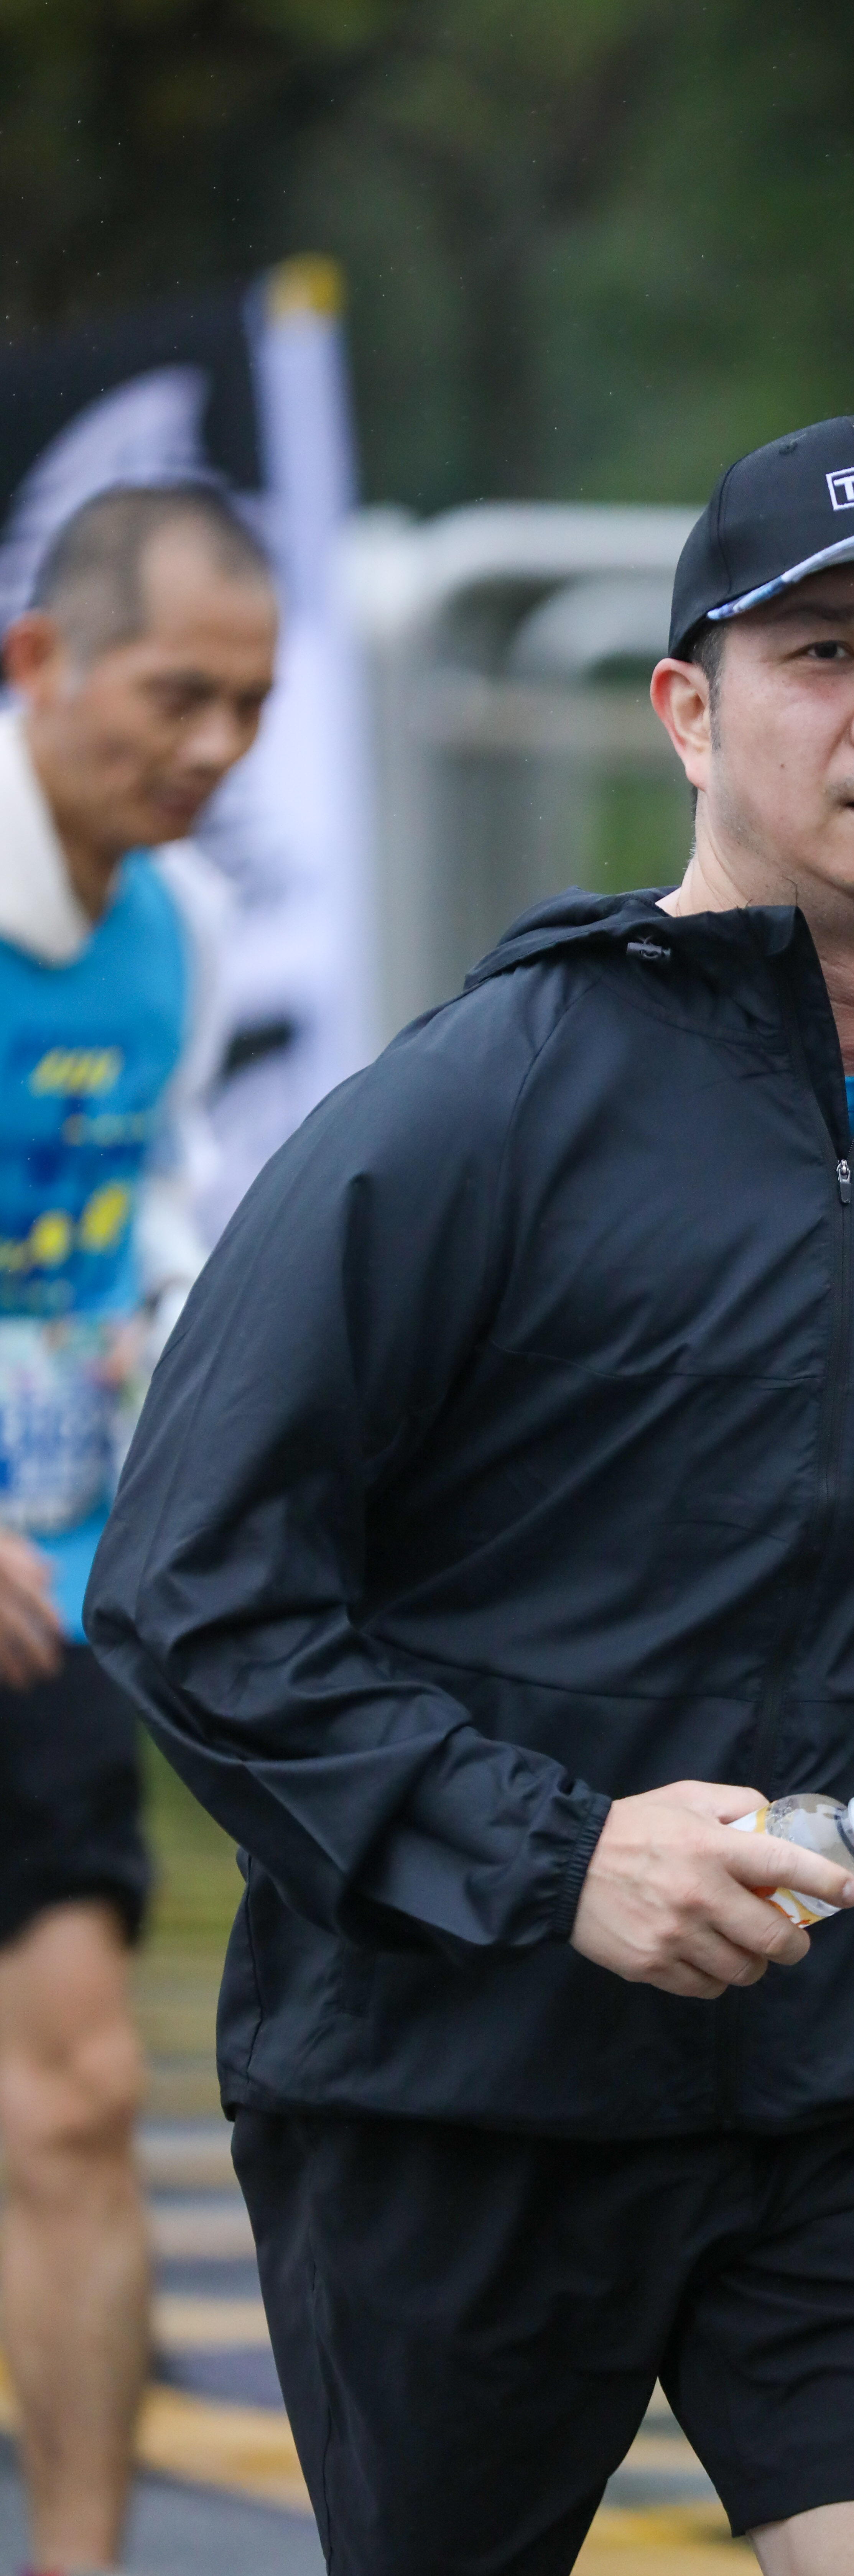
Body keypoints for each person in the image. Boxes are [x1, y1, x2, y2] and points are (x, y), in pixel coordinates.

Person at [88, 417, 854, 2576]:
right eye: (824, 652)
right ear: (689, 710)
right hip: (453, 2086)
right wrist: (560, 1857)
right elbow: (187, 1592)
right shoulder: (478, 1105)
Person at [0, 481, 275, 2576]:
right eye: (177, 695)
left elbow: (155, 1226)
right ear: (38, 662)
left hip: (48, 1608)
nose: (214, 748)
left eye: (248, 707)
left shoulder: (182, 929)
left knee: (84, 2098)